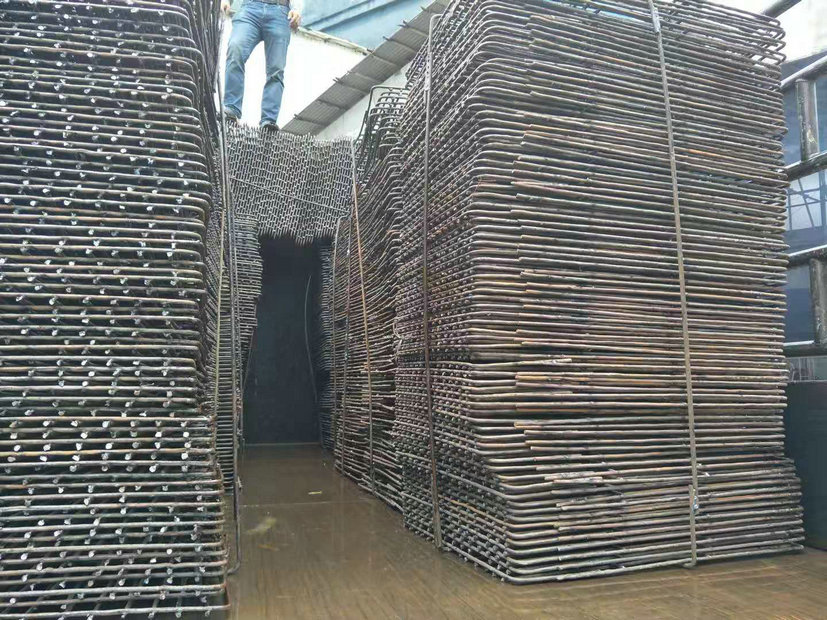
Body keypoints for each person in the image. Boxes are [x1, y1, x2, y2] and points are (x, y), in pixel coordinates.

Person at [221, 0, 302, 130]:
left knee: (276, 69)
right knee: (235, 49)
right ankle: (231, 109)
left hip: (280, 12)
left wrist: (297, 9)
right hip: (250, 9)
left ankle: (269, 120)